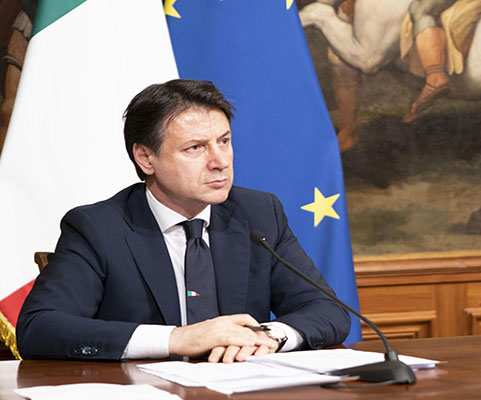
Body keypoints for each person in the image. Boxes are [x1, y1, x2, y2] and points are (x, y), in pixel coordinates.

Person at [17, 79, 351, 362]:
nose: (219, 161)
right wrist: (180, 338)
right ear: (146, 158)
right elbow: (40, 327)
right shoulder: (99, 228)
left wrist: (266, 335)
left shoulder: (259, 213)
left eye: (224, 141)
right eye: (195, 148)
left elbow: (327, 310)